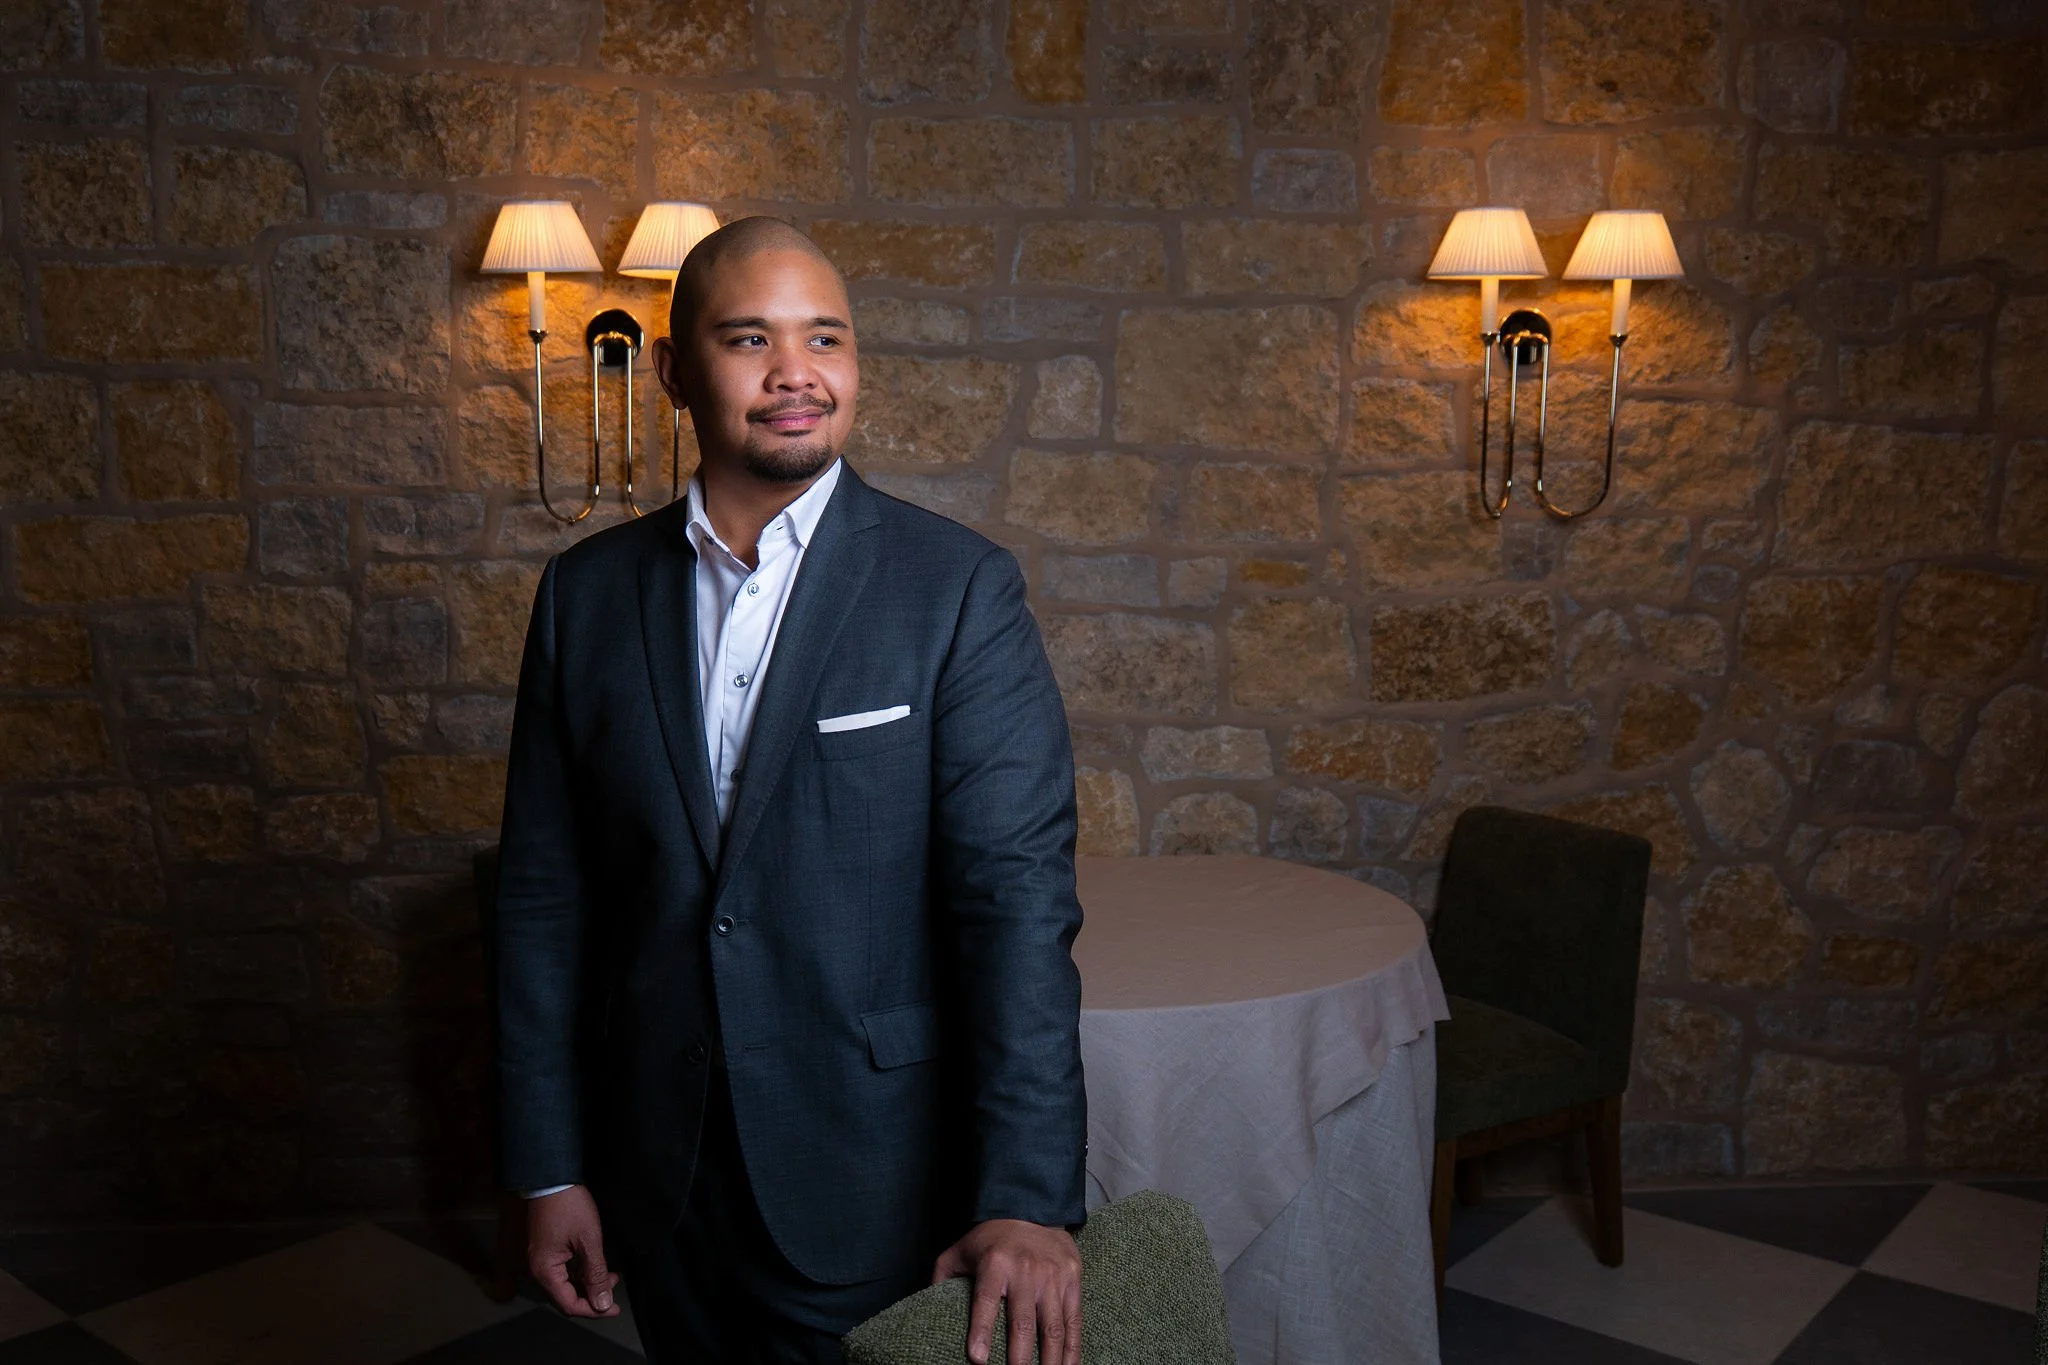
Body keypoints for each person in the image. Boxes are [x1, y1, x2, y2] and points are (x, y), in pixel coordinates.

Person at [493, 216, 1088, 1365]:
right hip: (654, 1179)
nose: (794, 374)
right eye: (747, 339)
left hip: (869, 1173)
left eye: (825, 337)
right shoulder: (585, 597)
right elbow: (541, 902)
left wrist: (1026, 1194)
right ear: (673, 370)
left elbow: (1013, 905)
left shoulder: (955, 590)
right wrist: (549, 1164)